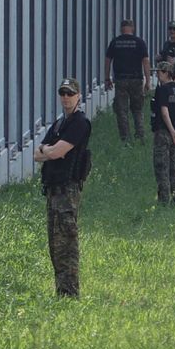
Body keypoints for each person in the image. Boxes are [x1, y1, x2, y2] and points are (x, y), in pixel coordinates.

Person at [33, 78, 93, 297]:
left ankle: (70, 292)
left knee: (66, 243)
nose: (66, 98)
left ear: (78, 96)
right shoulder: (59, 124)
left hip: (67, 190)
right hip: (53, 190)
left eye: (70, 93)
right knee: (55, 245)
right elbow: (36, 155)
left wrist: (48, 150)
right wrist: (48, 150)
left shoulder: (79, 122)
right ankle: (62, 291)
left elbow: (58, 152)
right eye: (63, 93)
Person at [103, 19, 150, 143]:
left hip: (121, 80)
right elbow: (145, 61)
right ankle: (140, 136)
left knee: (121, 110)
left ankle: (125, 139)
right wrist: (148, 81)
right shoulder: (139, 42)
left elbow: (108, 61)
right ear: (132, 28)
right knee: (137, 109)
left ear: (121, 28)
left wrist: (107, 78)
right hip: (136, 79)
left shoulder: (115, 42)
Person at [149, 60, 175, 205]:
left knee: (162, 167)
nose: (157, 75)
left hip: (164, 132)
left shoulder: (164, 90)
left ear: (166, 73)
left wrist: (171, 132)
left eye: (159, 72)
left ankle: (163, 200)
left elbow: (164, 113)